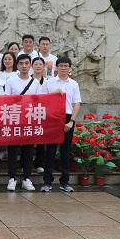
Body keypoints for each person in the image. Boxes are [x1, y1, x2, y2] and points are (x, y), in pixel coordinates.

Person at [42, 57, 81, 193]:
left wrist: (71, 122)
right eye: (61, 66)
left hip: (68, 118)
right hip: (52, 118)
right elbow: (41, 100)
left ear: (69, 68)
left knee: (65, 151)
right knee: (50, 151)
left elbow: (77, 103)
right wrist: (52, 94)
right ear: (56, 68)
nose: (63, 68)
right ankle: (47, 182)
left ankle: (65, 182)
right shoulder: (49, 83)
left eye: (66, 66)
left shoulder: (74, 84)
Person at [4, 54, 43, 192]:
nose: (24, 66)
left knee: (28, 151)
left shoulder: (35, 83)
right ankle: (12, 178)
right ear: (17, 65)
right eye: (21, 63)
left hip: (29, 120)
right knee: (12, 151)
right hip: (14, 120)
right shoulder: (11, 81)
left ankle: (27, 178)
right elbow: (6, 100)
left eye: (26, 63)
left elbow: (39, 102)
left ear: (30, 65)